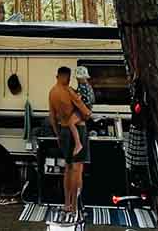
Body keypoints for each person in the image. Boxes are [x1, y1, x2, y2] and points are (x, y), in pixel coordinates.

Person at [48, 66, 91, 219]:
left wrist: (58, 135)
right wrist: (87, 114)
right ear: (67, 77)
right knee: (77, 169)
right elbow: (85, 112)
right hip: (78, 129)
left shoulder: (52, 93)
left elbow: (52, 117)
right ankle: (75, 207)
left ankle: (66, 204)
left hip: (63, 131)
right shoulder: (69, 91)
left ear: (57, 76)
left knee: (67, 168)